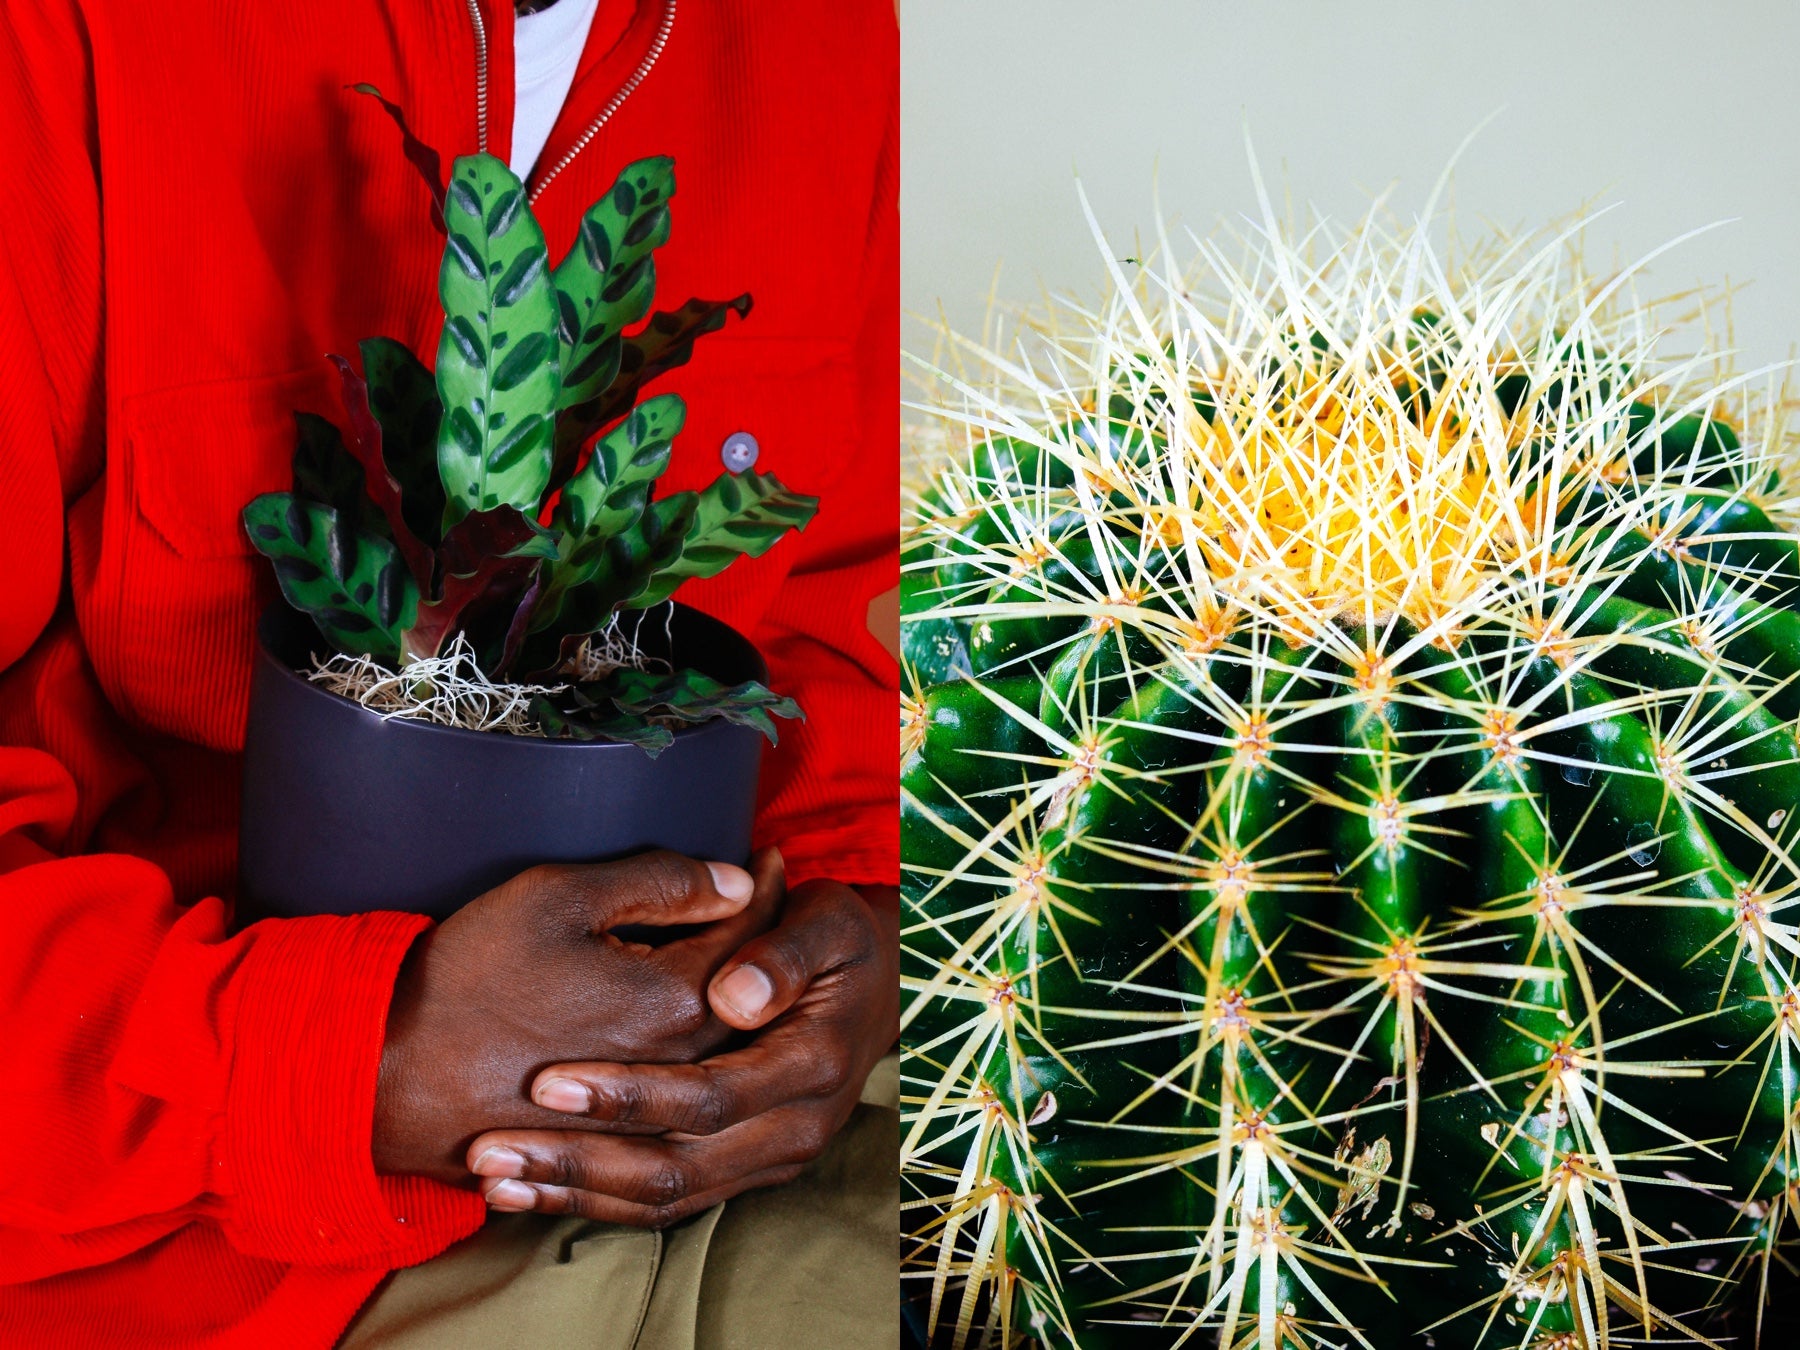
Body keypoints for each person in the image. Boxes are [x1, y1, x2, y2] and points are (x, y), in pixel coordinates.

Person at [0, 2, 898, 1346]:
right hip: (212, 1229)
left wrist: (867, 932)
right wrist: (356, 1059)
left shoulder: (850, 53)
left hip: (772, 1135)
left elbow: (865, 677)